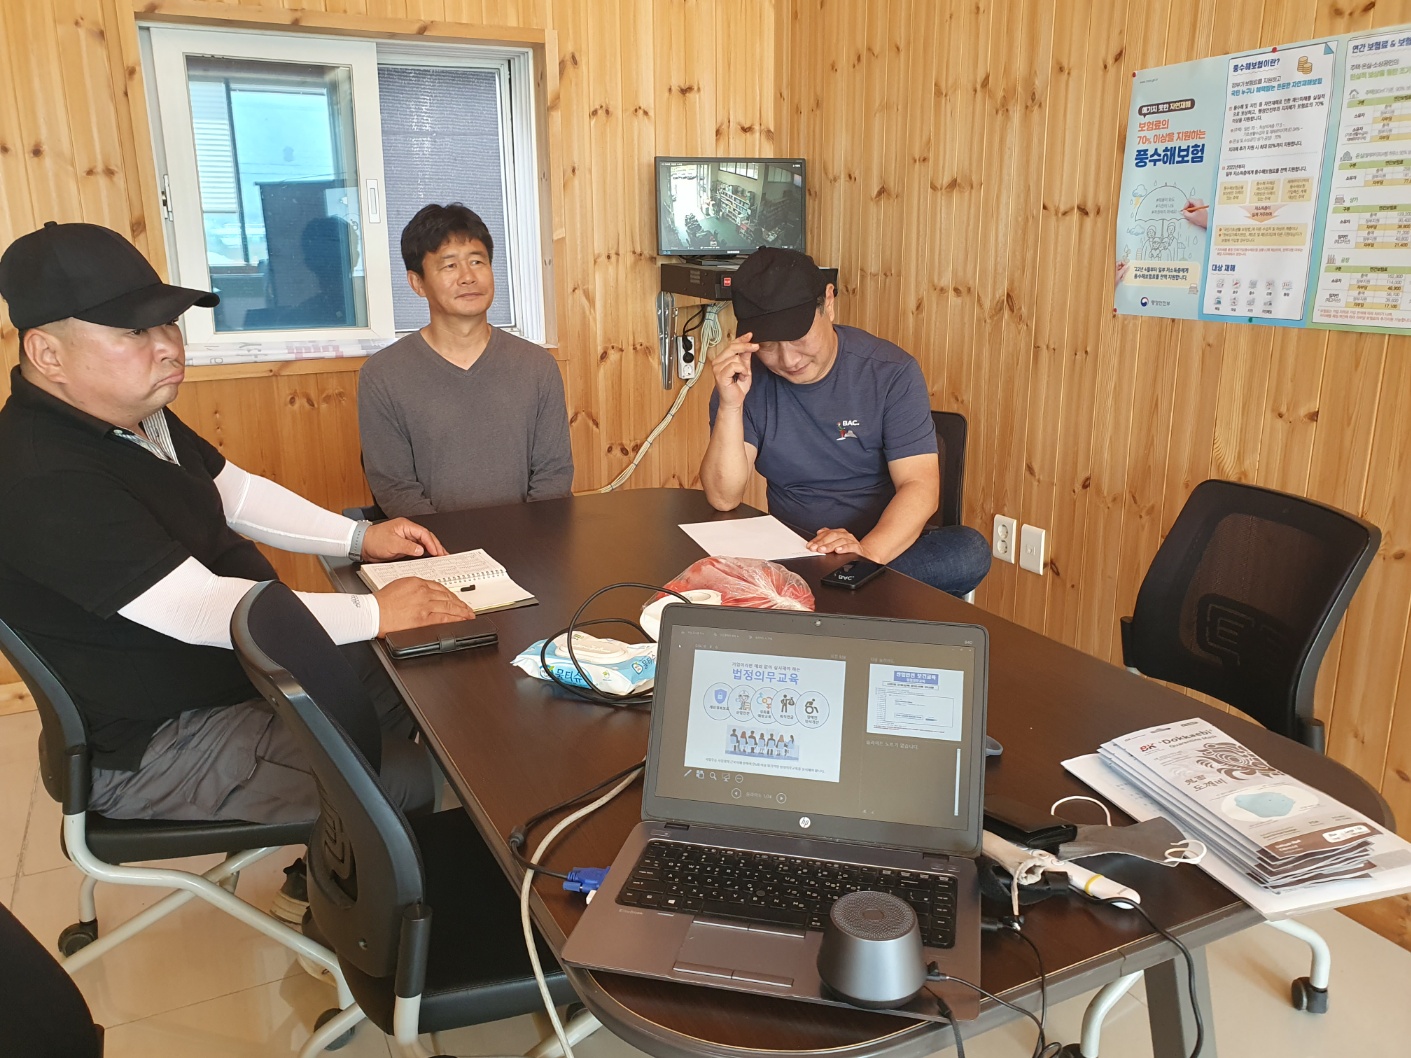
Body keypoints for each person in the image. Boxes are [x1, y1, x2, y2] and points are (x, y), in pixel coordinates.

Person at [0, 221, 476, 832]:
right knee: (412, 776)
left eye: (169, 323)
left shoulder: (134, 415)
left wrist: (359, 537)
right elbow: (196, 608)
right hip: (162, 739)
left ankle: (344, 858)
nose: (169, 346)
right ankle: (372, 872)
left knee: (413, 670)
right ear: (47, 354)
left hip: (239, 673)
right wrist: (374, 612)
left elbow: (237, 493)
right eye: (135, 331)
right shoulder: (43, 473)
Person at [700, 247, 991, 596]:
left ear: (829, 302)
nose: (788, 360)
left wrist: (864, 555)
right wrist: (730, 406)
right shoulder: (743, 381)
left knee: (969, 551)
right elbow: (723, 498)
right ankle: (838, 597)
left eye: (797, 338)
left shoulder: (891, 372)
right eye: (768, 345)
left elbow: (920, 486)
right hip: (794, 549)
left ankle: (831, 592)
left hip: (883, 549)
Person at [358, 203, 574, 517]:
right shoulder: (382, 375)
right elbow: (395, 488)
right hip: (434, 542)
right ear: (417, 283)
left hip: (532, 538)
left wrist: (531, 538)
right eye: (449, 265)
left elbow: (554, 475)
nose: (468, 277)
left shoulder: (537, 366)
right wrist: (444, 544)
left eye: (477, 261)